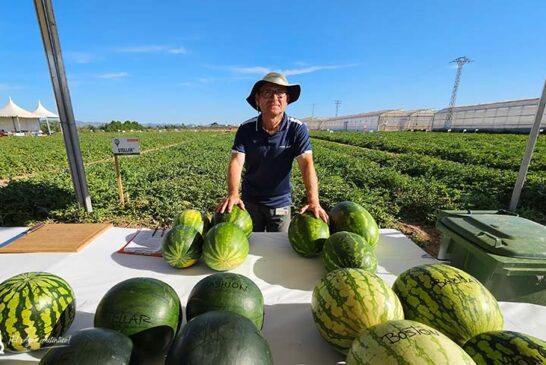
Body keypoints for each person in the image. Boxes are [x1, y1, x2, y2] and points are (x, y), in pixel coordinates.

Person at [215, 72, 329, 232]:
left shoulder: (297, 128)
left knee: (280, 245)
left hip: (280, 203)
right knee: (251, 244)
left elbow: (306, 164)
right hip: (250, 201)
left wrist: (314, 201)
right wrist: (233, 194)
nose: (274, 97)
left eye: (280, 93)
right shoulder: (246, 129)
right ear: (257, 100)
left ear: (287, 99)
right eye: (267, 92)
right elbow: (237, 161)